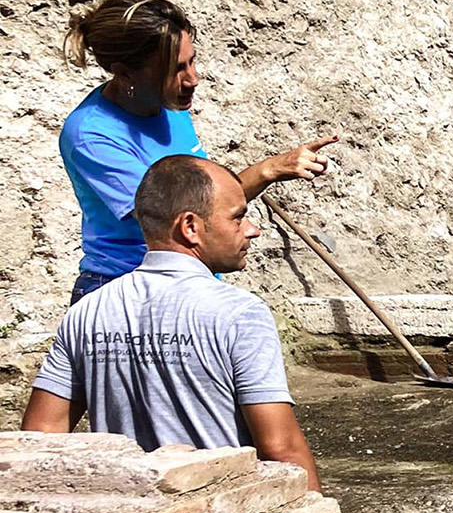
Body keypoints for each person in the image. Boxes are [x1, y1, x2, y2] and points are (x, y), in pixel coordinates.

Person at [23, 155, 320, 490]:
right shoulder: (239, 313)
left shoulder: (86, 312)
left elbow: (40, 436)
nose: (252, 230)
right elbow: (281, 448)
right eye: (238, 218)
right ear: (190, 227)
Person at [59, 0, 337, 302]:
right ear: (125, 73)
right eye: (176, 69)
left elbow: (201, 200)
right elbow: (178, 219)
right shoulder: (92, 135)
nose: (193, 78)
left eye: (192, 61)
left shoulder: (168, 104)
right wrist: (267, 170)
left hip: (187, 283)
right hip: (126, 293)